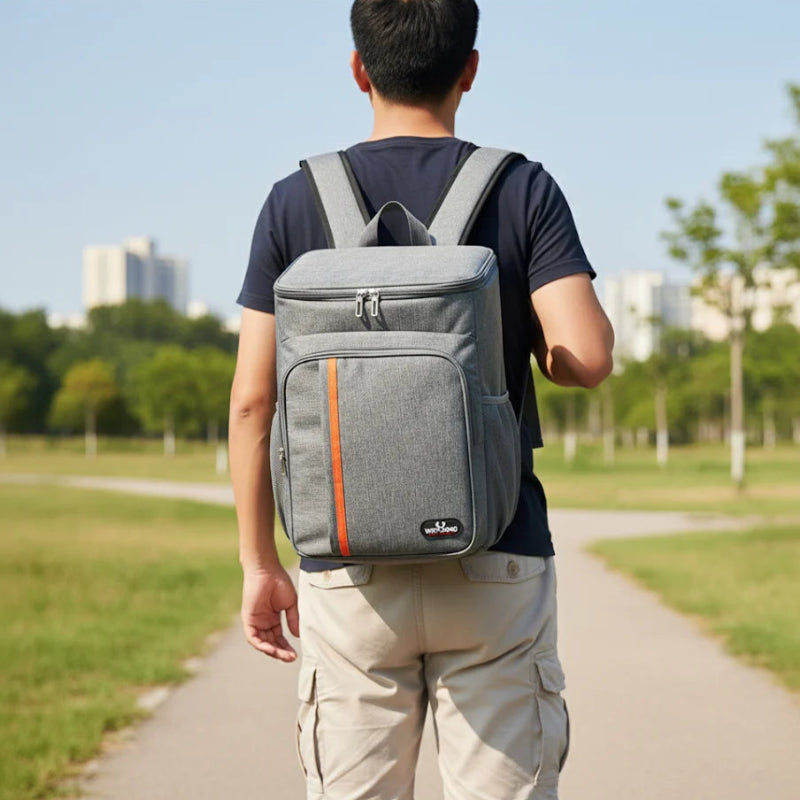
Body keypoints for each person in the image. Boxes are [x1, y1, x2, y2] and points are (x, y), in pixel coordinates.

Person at [229, 1, 614, 797]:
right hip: (495, 551)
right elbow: (588, 360)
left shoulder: (295, 200)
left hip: (348, 565)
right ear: (469, 70)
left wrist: (259, 561)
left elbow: (252, 404)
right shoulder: (522, 188)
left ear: (358, 69)